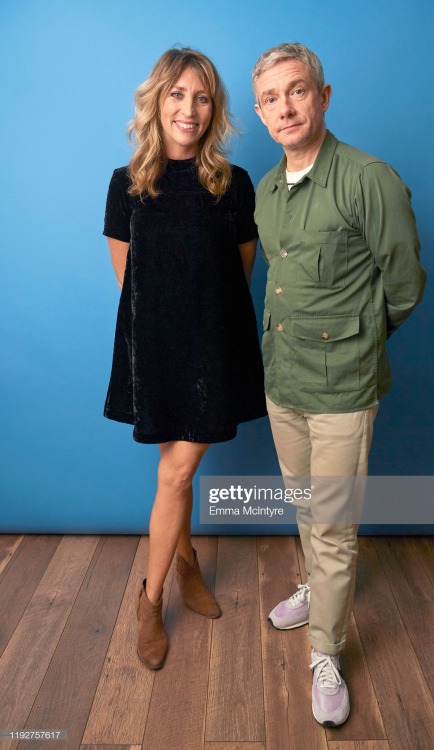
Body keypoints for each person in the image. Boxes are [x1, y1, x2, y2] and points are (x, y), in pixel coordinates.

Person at [252, 43, 426, 726]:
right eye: (271, 98)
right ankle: (314, 590)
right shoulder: (266, 190)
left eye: (297, 91)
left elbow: (405, 285)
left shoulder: (368, 178)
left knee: (333, 527)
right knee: (305, 507)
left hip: (343, 393)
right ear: (263, 112)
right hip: (282, 383)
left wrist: (355, 347)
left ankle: (327, 649)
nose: (285, 107)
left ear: (324, 97)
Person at [103, 47, 266, 670]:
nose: (189, 109)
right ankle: (187, 564)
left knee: (174, 473)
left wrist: (205, 337)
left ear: (214, 109)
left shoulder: (234, 184)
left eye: (201, 97)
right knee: (178, 472)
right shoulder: (126, 184)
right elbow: (131, 282)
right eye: (177, 94)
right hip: (155, 350)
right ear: (157, 102)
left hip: (213, 349)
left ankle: (149, 600)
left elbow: (240, 275)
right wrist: (166, 334)